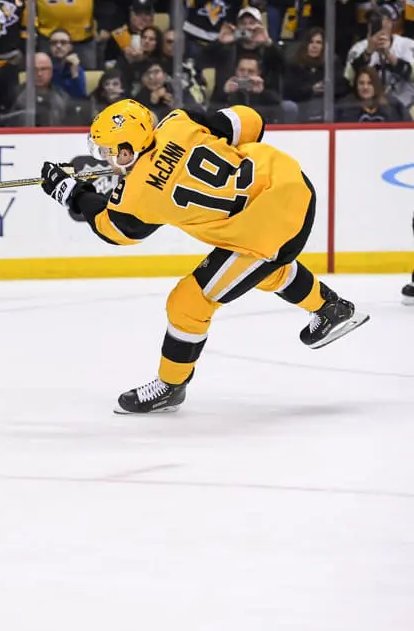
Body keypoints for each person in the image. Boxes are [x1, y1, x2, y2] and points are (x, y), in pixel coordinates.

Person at [38, 99, 370, 414]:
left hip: (268, 229)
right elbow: (250, 120)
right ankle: (331, 308)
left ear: (127, 151)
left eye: (111, 152)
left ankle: (171, 385)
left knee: (188, 303)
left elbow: (114, 229)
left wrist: (71, 193)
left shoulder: (137, 195)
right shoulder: (181, 121)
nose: (107, 158)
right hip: (290, 183)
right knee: (258, 269)